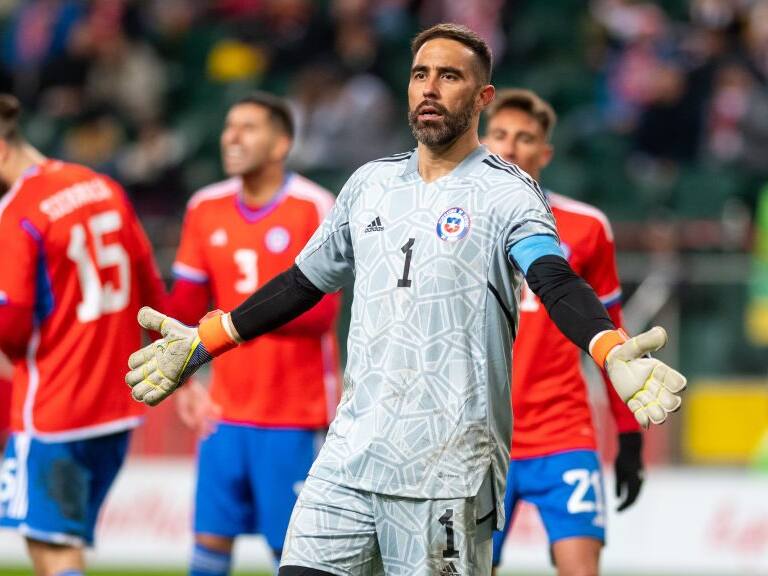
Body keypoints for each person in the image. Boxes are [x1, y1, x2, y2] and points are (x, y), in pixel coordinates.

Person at [126, 23, 686, 576]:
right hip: (349, 458)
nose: (430, 88)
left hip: (448, 470)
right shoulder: (369, 184)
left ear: (482, 97)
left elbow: (554, 279)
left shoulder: (509, 193)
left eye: (449, 76)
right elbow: (301, 282)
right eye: (421, 74)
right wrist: (205, 341)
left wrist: (610, 348)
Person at [166, 92, 341, 576]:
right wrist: (184, 384)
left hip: (294, 413)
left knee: (293, 555)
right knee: (208, 547)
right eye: (228, 127)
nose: (232, 137)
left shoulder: (313, 206)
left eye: (248, 127)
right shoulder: (205, 206)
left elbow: (321, 315)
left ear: (281, 143)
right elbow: (182, 308)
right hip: (224, 411)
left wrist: (234, 324)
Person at [0, 93, 165, 576]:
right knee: (63, 541)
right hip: (114, 409)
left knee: (52, 551)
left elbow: (10, 327)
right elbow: (151, 290)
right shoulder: (100, 185)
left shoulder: (19, 211)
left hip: (54, 406)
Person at [483, 89, 643, 575]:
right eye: (500, 135)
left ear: (545, 153)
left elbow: (612, 333)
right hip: (478, 437)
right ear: (482, 141)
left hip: (562, 431)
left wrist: (629, 436)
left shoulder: (587, 227)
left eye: (525, 138)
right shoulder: (455, 222)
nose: (510, 148)